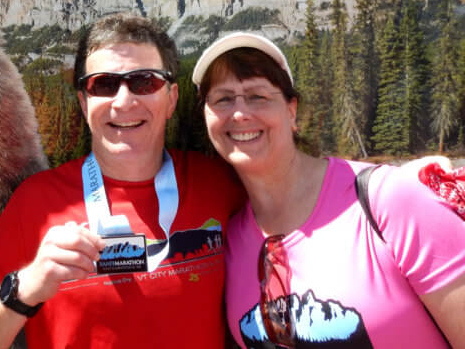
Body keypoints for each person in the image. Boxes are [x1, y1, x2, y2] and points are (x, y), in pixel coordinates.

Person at [0, 13, 244, 349]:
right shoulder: (36, 202)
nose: (123, 101)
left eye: (145, 82)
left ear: (171, 98)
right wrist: (26, 286)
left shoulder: (218, 182)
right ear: (84, 102)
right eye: (103, 84)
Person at [192, 31, 465, 348]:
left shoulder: (390, 200)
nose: (240, 113)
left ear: (291, 110)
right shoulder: (229, 241)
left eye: (257, 96)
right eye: (223, 99)